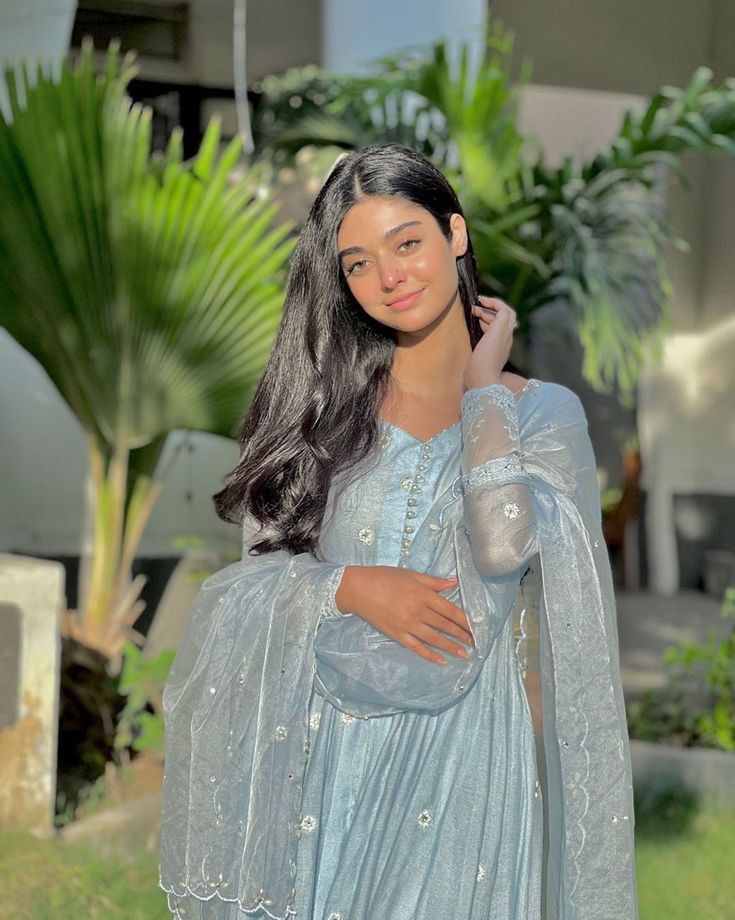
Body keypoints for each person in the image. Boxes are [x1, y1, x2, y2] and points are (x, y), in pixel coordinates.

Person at [158, 144, 639, 919]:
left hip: (465, 757)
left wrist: (484, 392)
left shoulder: (542, 414)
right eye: (356, 263)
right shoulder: (316, 412)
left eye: (406, 243)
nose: (388, 277)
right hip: (319, 753)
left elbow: (503, 545)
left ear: (454, 234)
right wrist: (344, 586)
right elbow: (244, 588)